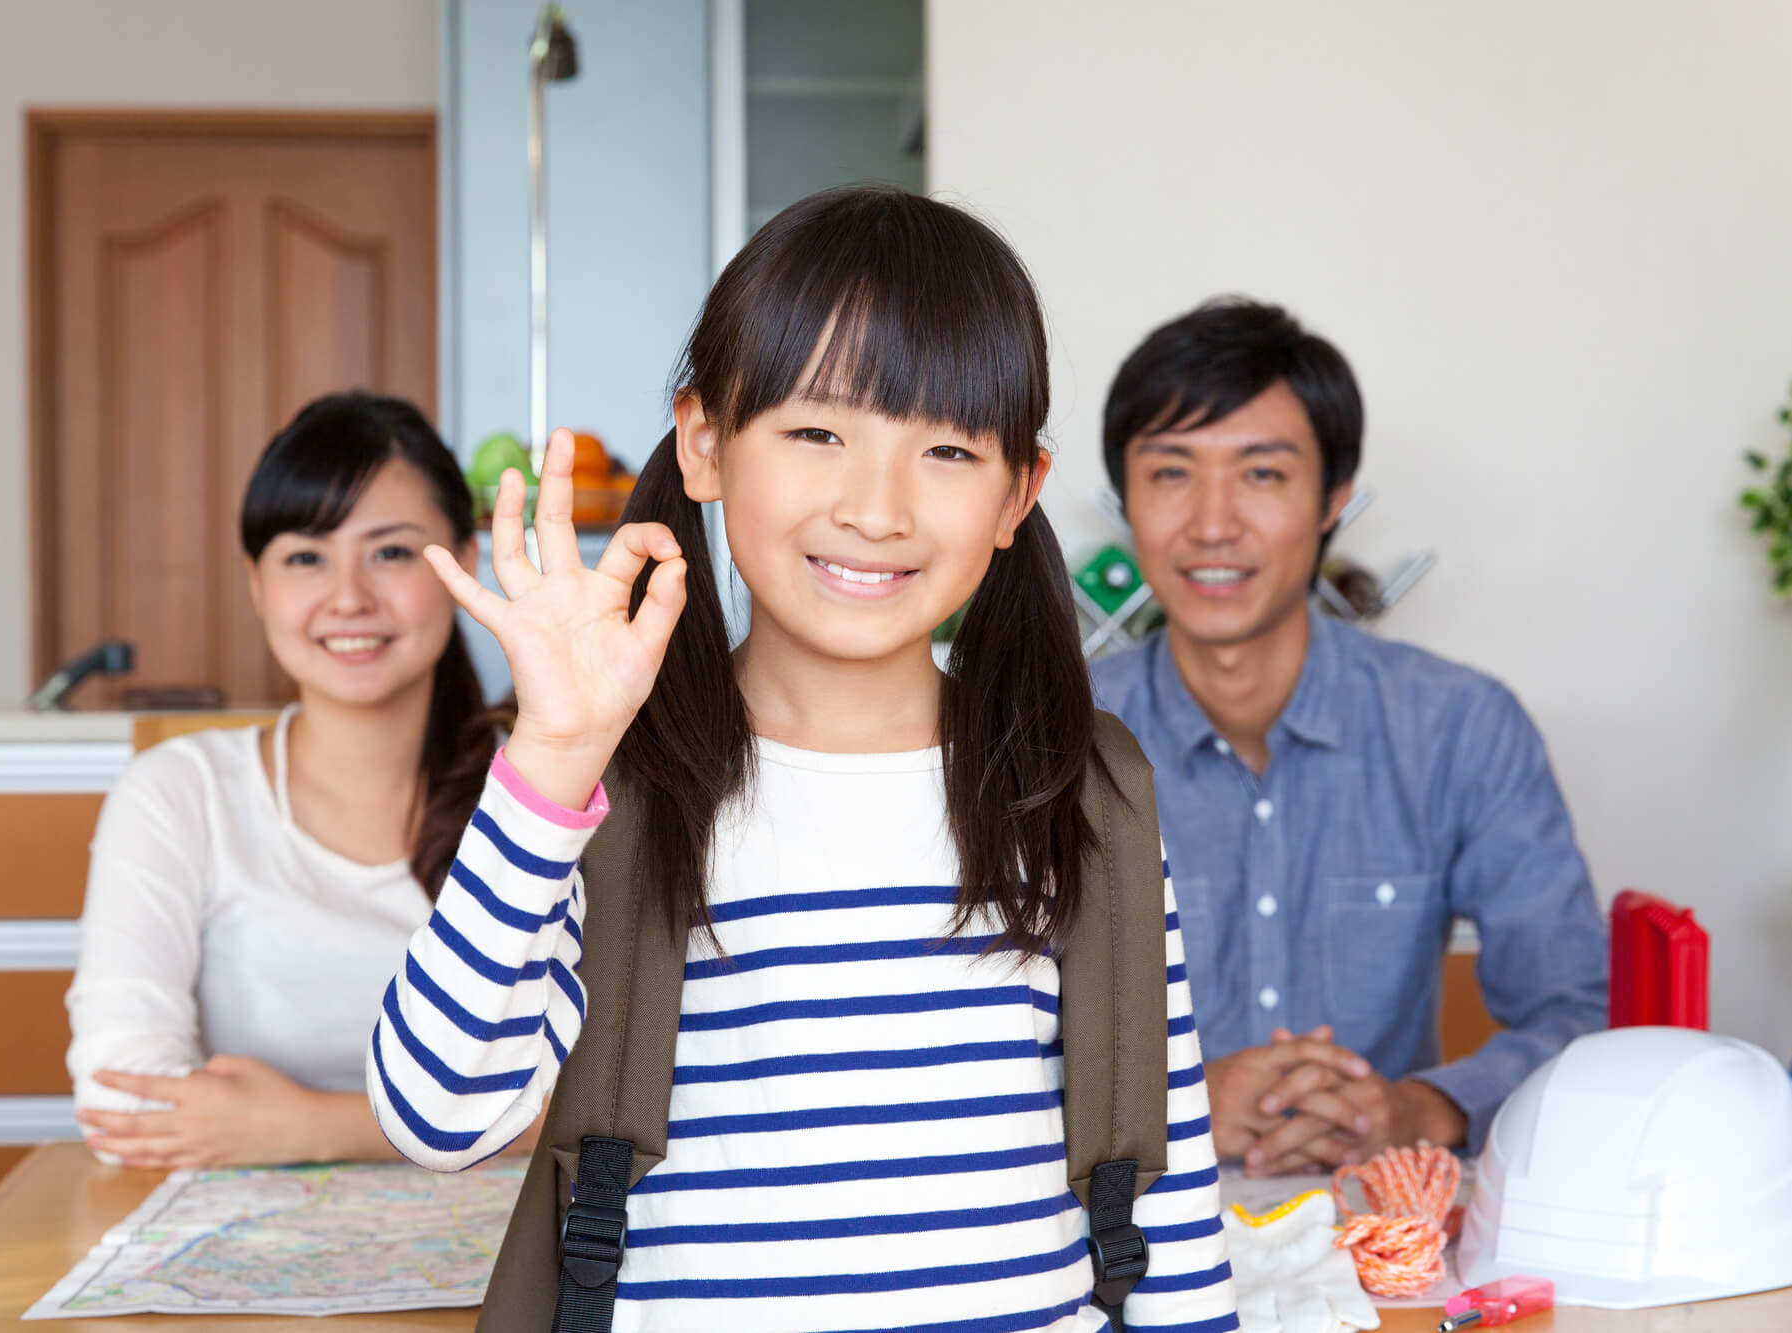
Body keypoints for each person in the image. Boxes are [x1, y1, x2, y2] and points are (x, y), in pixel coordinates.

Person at [368, 188, 1237, 1332]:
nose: (874, 509)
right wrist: (555, 755)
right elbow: (439, 1116)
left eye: (943, 449)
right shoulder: (614, 784)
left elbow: (1161, 1189)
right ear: (704, 441)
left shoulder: (1072, 786)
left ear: (1016, 492)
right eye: (817, 432)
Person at [1091, 298, 1607, 1175]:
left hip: (1387, 1240)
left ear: (1334, 498)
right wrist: (1164, 1102)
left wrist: (1423, 1105)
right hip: (1125, 1242)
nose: (1213, 524)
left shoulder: (1460, 728)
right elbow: (965, 1031)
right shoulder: (1050, 736)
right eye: (1172, 472)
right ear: (1126, 502)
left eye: (1262, 474)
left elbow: (1582, 1013)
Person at [66, 392, 507, 1170]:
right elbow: (125, 1100)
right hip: (241, 1255)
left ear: (464, 564)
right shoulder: (180, 792)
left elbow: (614, 1098)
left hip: (519, 1250)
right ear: (257, 582)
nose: (349, 597)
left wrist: (311, 1127)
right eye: (306, 556)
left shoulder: (549, 790)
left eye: (392, 551)